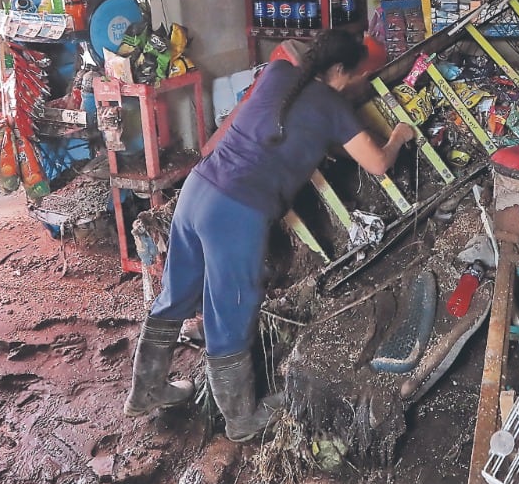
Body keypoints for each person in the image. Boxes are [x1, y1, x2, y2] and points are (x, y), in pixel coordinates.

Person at [123, 28, 414, 441]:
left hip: (197, 190)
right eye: (359, 75)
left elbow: (275, 124)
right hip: (235, 213)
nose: (361, 82)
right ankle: (242, 421)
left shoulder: (278, 72)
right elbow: (378, 164)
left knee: (175, 295)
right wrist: (399, 136)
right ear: (339, 70)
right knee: (230, 311)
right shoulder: (334, 107)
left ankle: (146, 391)